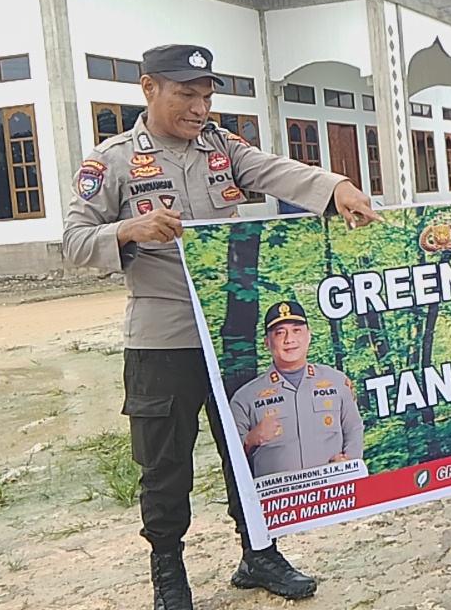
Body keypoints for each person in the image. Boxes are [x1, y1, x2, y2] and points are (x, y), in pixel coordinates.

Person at [63, 44, 381, 610]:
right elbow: (72, 242)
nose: (199, 108)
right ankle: (169, 573)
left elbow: (278, 171)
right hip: (162, 342)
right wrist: (130, 230)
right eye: (186, 94)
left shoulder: (221, 148)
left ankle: (259, 552)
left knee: (248, 449)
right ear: (149, 88)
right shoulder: (111, 162)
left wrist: (334, 188)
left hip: (230, 334)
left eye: (207, 96)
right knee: (164, 467)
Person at [230, 301, 364, 477]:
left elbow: (353, 427)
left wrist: (349, 462)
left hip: (334, 493)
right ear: (267, 342)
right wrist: (249, 440)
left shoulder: (336, 381)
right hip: (278, 498)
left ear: (309, 336)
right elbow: (230, 455)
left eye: (296, 330)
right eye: (280, 333)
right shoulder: (244, 398)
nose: (289, 339)